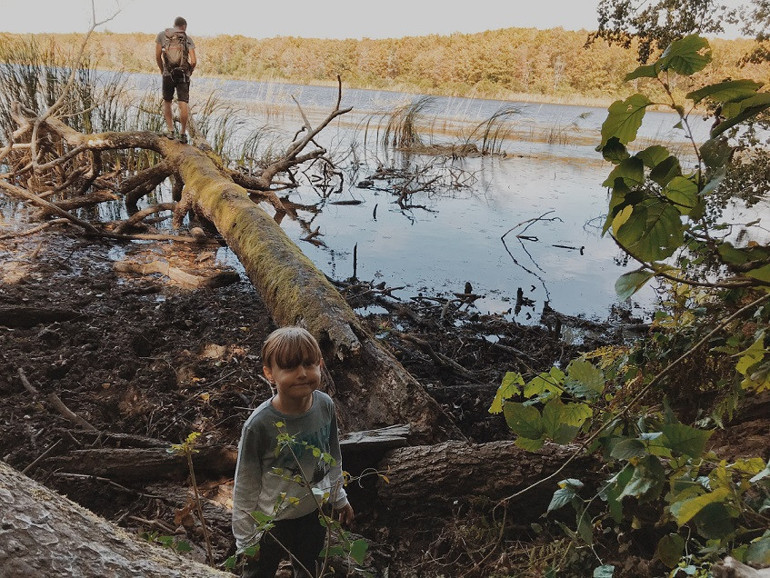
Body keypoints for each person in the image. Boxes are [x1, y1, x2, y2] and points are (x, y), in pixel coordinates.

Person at [232, 327, 355, 578]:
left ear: (320, 364)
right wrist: (245, 540)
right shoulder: (259, 425)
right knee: (258, 573)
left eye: (309, 364)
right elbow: (245, 484)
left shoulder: (325, 406)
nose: (302, 374)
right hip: (270, 521)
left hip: (312, 513)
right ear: (270, 374)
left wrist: (338, 496)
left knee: (308, 570)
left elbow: (330, 456)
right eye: (289, 368)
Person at [155, 16, 196, 143]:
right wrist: (189, 71)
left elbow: (157, 55)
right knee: (183, 103)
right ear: (184, 26)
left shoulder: (162, 35)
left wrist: (162, 70)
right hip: (183, 74)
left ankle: (170, 130)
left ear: (174, 25)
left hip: (168, 74)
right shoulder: (187, 39)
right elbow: (194, 61)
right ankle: (183, 133)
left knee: (167, 101)